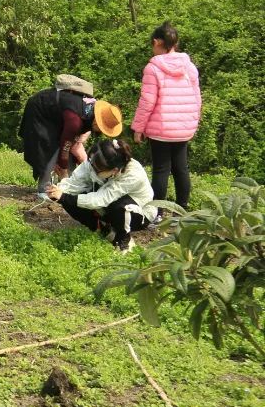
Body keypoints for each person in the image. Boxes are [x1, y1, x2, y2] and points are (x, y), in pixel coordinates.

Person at [131, 21, 201, 216]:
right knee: (181, 168)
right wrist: (193, 121)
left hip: (161, 128)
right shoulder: (189, 67)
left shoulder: (153, 68)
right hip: (184, 128)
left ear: (156, 42)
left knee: (161, 169)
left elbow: (147, 101)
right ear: (175, 43)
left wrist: (138, 127)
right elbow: (197, 97)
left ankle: (157, 214)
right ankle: (181, 213)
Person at [19, 74, 123, 198]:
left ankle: (66, 187)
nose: (101, 132)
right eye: (102, 128)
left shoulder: (90, 111)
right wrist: (63, 170)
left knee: (65, 153)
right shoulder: (75, 121)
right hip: (39, 110)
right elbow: (65, 146)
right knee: (48, 149)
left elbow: (72, 144)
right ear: (97, 121)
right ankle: (45, 189)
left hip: (56, 116)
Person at [46, 138, 157, 253]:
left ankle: (123, 241)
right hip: (109, 206)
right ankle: (104, 230)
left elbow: (101, 199)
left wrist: (64, 197)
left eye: (96, 169)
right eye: (91, 163)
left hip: (139, 214)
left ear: (114, 170)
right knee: (68, 198)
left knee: (121, 207)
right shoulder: (95, 161)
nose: (92, 169)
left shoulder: (133, 174)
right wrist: (58, 191)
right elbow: (75, 181)